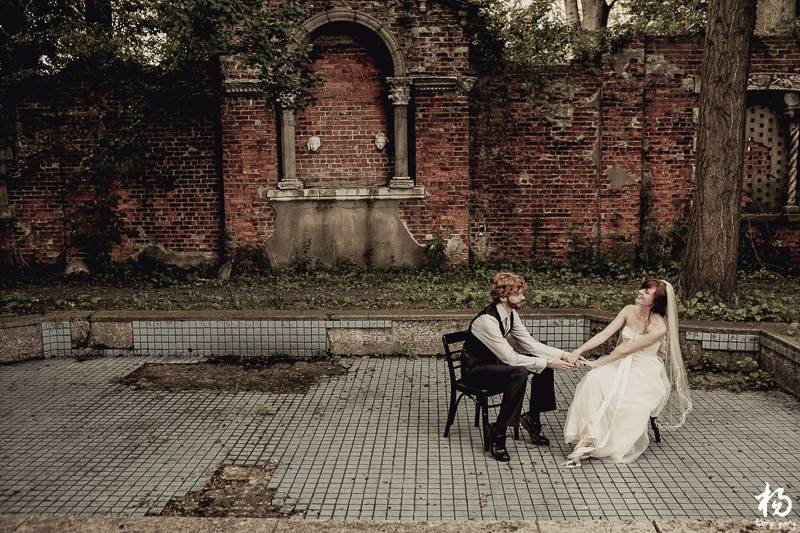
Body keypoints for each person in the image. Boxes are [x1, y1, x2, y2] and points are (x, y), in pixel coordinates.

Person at [562, 279, 692, 467]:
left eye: (647, 292)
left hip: (643, 371)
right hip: (619, 363)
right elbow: (604, 334)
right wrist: (579, 351)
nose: (640, 292)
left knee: (624, 400)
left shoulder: (659, 328)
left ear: (656, 301)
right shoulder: (628, 310)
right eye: (643, 288)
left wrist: (595, 363)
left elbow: (625, 350)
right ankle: (587, 435)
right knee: (593, 381)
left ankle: (604, 442)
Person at [462, 272, 576, 462]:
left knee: (541, 363)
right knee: (521, 372)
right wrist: (547, 361)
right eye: (518, 293)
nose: (523, 297)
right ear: (503, 296)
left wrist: (564, 355)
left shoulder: (510, 314)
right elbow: (511, 359)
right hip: (476, 371)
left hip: (497, 365)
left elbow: (530, 345)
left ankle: (532, 418)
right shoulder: (487, 321)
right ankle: (498, 432)